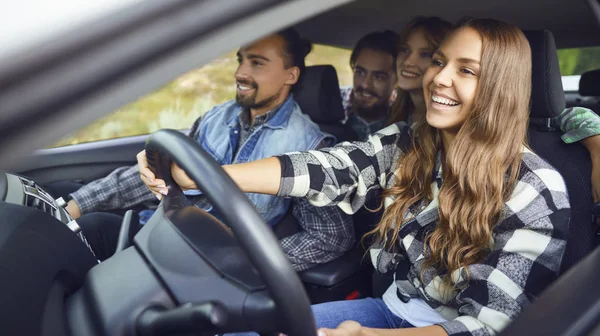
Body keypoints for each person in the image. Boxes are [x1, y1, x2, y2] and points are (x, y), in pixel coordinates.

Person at [140, 18, 570, 336]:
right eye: (440, 62)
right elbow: (323, 167)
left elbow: (488, 327)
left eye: (467, 70)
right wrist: (198, 173)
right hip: (386, 310)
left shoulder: (535, 188)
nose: (438, 77)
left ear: (499, 88)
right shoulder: (410, 142)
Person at [65, 29, 355, 270]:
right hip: (158, 232)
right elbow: (159, 175)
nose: (240, 73)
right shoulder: (218, 116)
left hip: (206, 265)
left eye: (257, 63)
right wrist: (77, 204)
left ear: (290, 76)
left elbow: (330, 237)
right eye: (241, 60)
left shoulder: (309, 146)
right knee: (85, 228)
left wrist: (249, 262)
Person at [390, 16, 600, 202]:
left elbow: (563, 115)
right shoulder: (396, 120)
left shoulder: (531, 185)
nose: (409, 61)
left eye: (425, 54)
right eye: (438, 61)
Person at [340, 31, 400, 140]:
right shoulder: (331, 104)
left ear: (397, 81)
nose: (365, 84)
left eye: (379, 77)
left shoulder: (405, 114)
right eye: (360, 72)